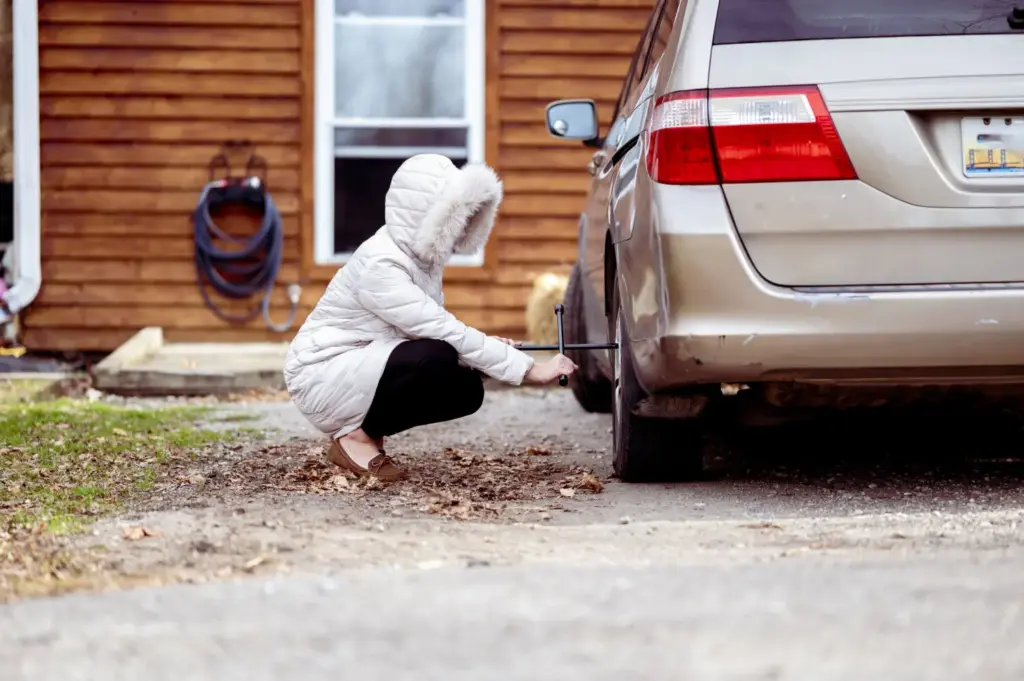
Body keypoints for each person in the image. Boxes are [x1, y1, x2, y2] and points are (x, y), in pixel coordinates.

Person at [284, 154, 578, 482]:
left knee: (467, 389)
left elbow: (428, 328)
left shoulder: (420, 259)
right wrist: (528, 369)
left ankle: (366, 432)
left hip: (361, 357)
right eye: (456, 216)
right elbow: (438, 330)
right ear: (429, 215)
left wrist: (482, 358)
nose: (463, 225)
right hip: (319, 372)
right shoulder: (381, 264)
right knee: (437, 354)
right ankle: (354, 437)